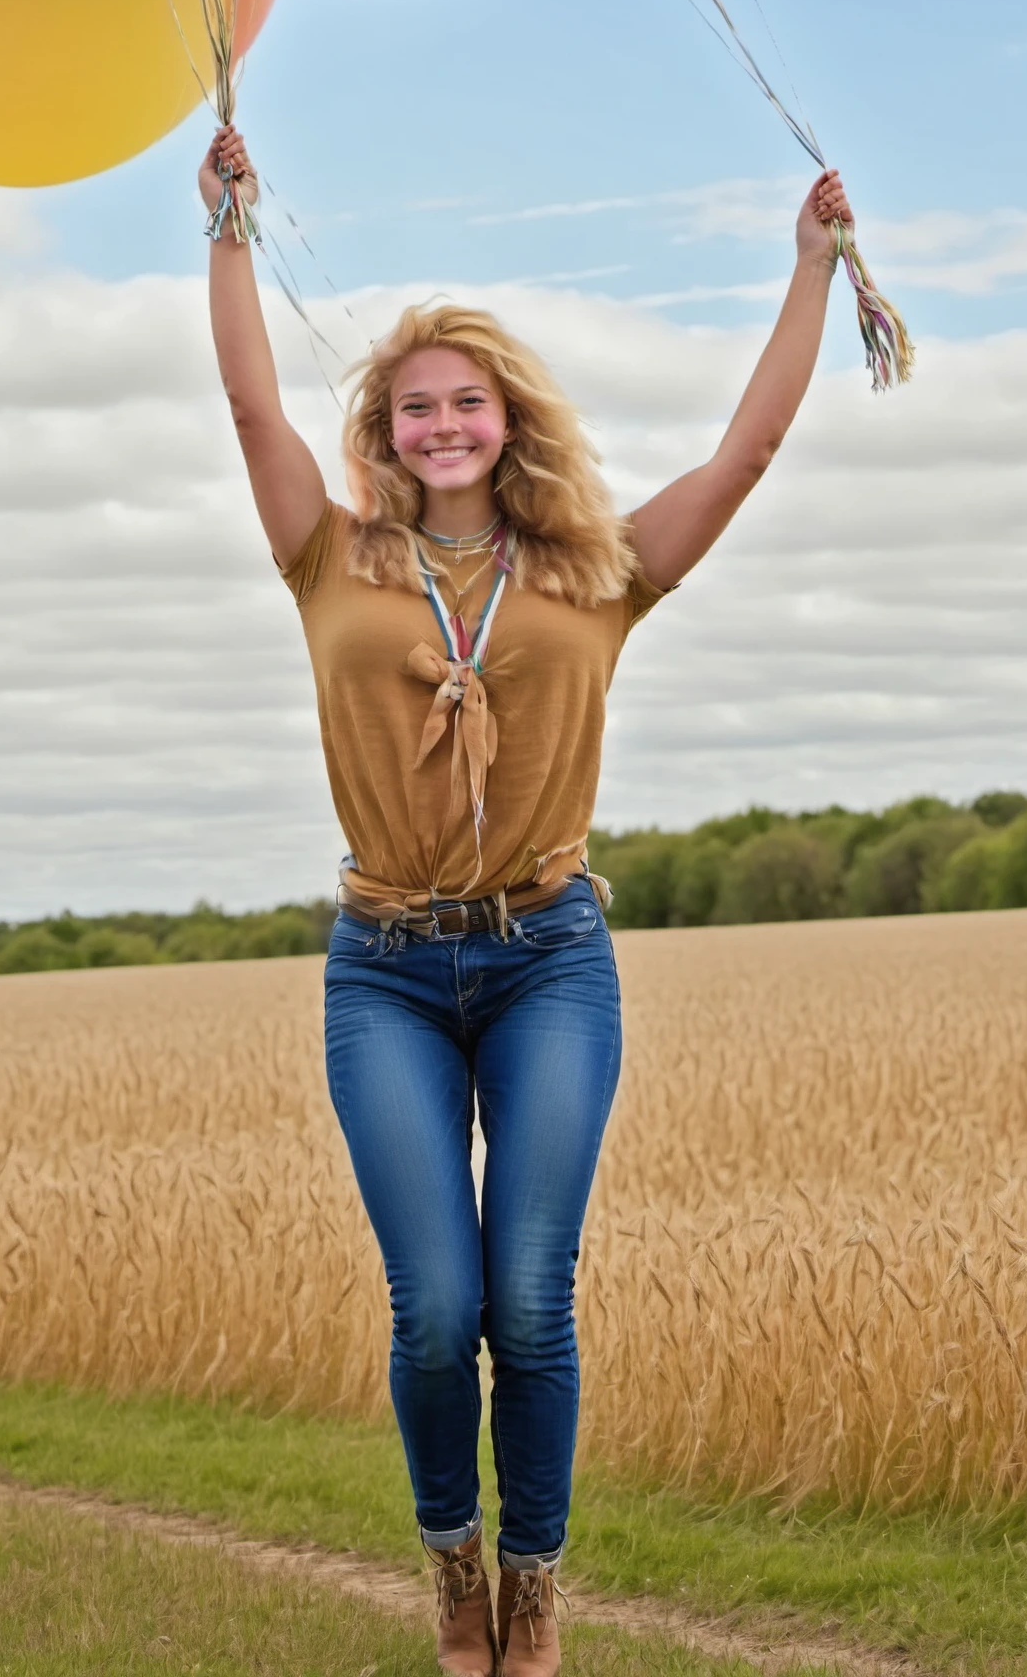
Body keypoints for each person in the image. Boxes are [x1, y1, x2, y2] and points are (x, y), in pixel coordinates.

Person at [199, 125, 852, 1677]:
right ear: (386, 429)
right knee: (435, 1312)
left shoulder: (595, 572)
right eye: (413, 405)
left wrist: (811, 272)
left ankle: (538, 1594)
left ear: (508, 421)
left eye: (465, 401)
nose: (440, 424)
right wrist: (227, 230)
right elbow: (245, 402)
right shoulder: (327, 558)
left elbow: (742, 457)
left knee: (530, 1309)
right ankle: (451, 1574)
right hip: (387, 970)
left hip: (550, 958)